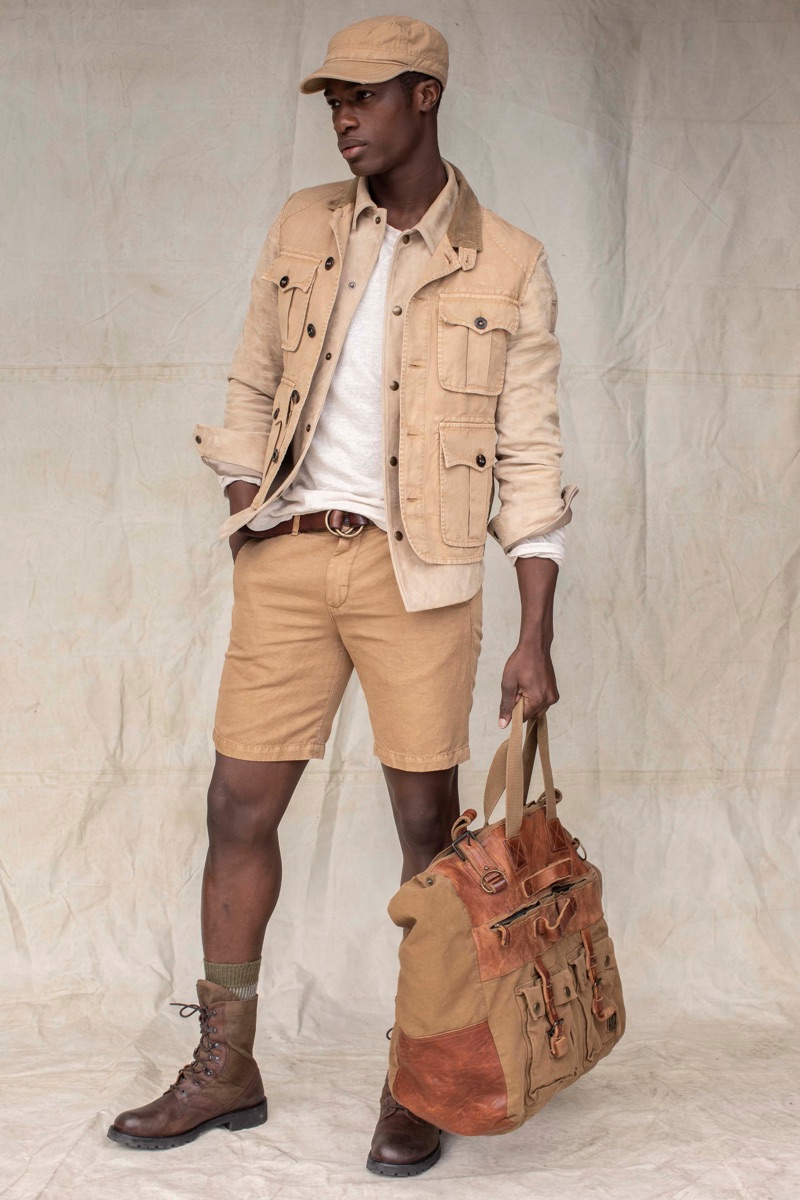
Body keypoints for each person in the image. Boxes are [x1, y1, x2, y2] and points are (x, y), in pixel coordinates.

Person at [107, 14, 578, 1178]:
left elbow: (529, 454)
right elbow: (253, 374)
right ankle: (225, 1063)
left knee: (425, 829)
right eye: (332, 101)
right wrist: (245, 505)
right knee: (237, 806)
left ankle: (420, 1078)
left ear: (425, 96)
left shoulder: (507, 261)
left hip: (419, 577)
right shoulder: (304, 223)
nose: (343, 119)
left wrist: (534, 634)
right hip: (288, 559)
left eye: (364, 96)